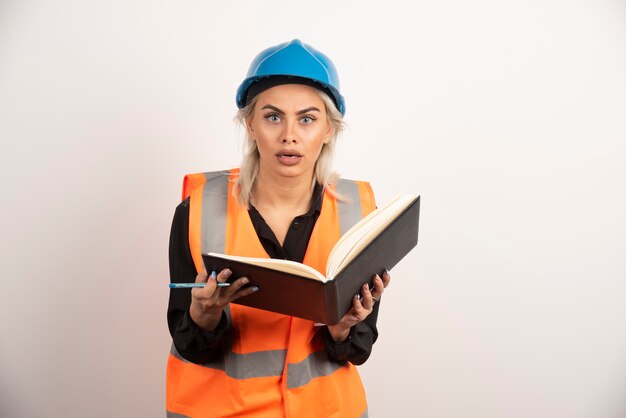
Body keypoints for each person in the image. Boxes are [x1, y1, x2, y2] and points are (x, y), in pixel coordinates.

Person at [166, 39, 391, 418]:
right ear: (250, 125)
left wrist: (344, 329)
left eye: (307, 118)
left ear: (328, 130)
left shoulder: (360, 213)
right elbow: (188, 343)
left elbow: (357, 350)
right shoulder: (197, 210)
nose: (289, 134)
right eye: (273, 117)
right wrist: (202, 317)